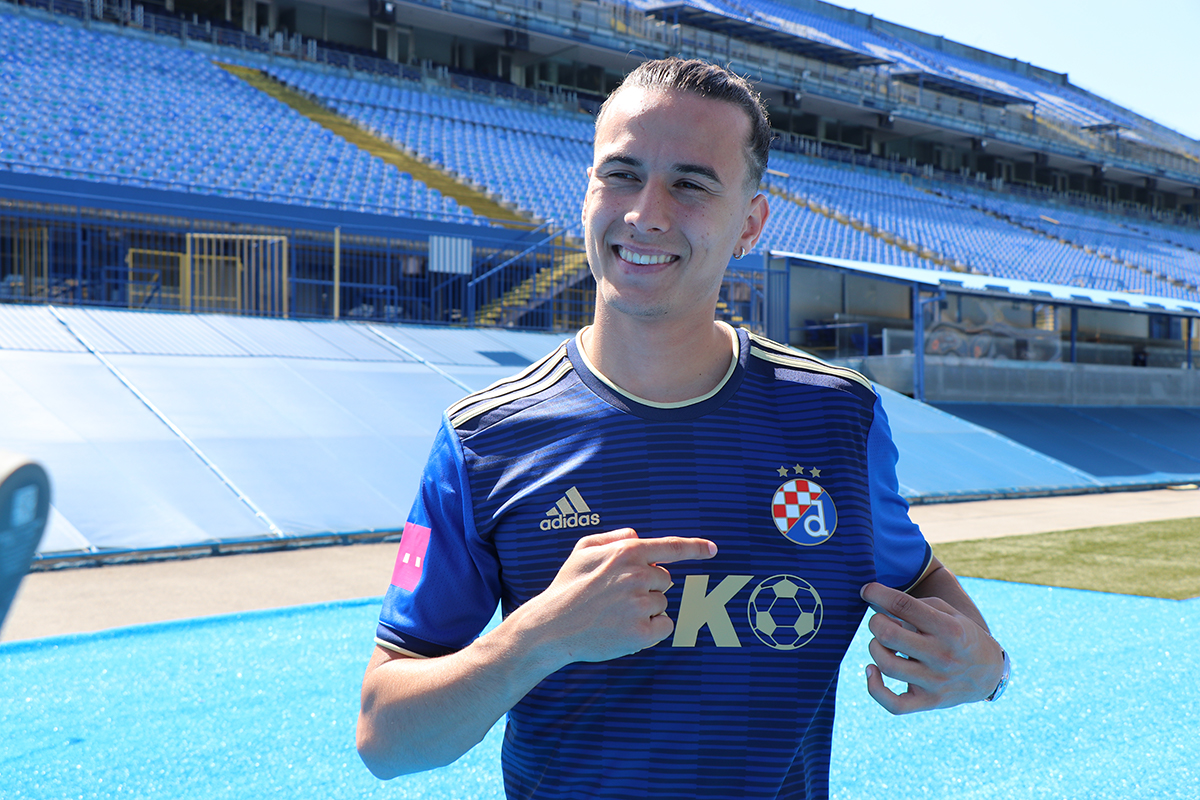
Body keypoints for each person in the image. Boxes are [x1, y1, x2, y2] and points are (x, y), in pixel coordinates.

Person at [357, 57, 1009, 800]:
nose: (646, 213)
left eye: (691, 184)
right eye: (622, 174)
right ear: (588, 193)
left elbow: (916, 577)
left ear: (749, 224)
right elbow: (385, 739)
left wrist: (986, 670)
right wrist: (536, 639)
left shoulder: (837, 417)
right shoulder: (486, 440)